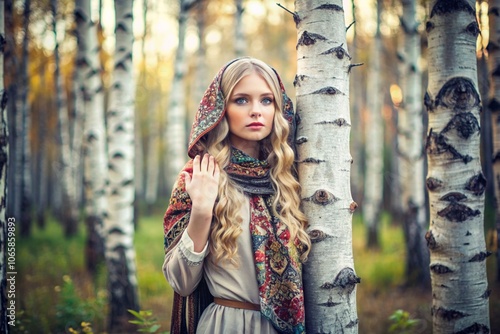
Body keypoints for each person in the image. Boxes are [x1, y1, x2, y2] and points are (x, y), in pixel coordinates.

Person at [162, 57, 311, 334]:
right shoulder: (201, 175)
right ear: (221, 109)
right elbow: (181, 282)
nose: (256, 111)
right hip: (228, 325)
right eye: (241, 100)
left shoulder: (289, 178)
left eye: (266, 100)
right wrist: (203, 209)